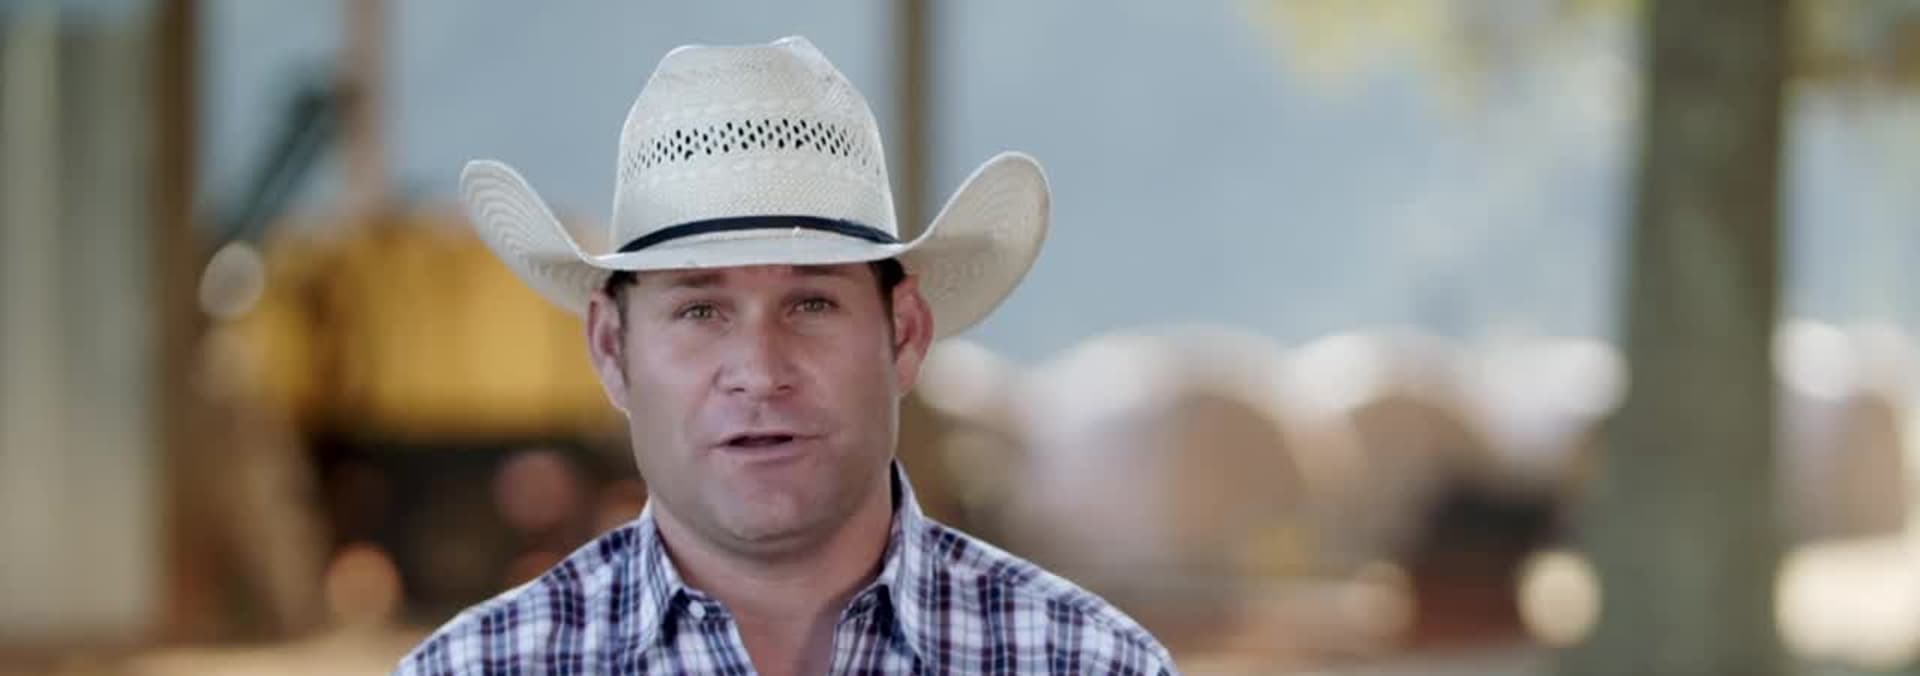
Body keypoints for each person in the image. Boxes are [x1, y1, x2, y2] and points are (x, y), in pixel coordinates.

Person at [393, 36, 1179, 675]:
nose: (761, 372)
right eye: (700, 311)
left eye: (811, 305)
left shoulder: (1088, 662)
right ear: (611, 347)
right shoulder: (478, 667)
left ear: (904, 334)